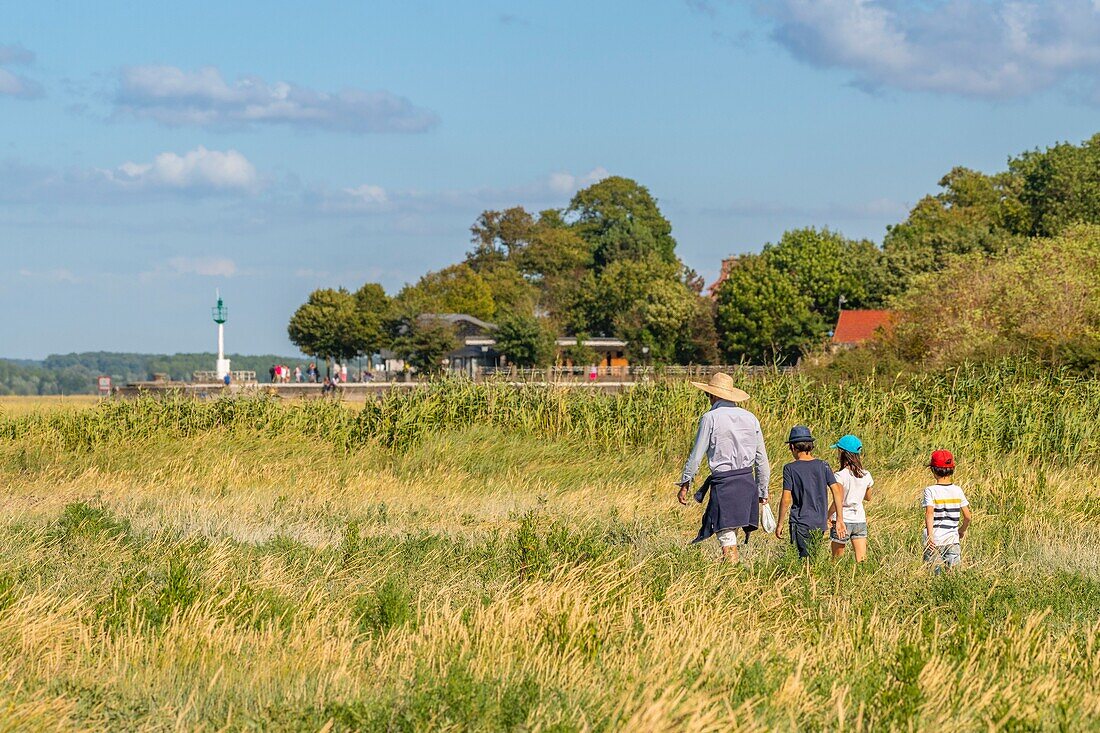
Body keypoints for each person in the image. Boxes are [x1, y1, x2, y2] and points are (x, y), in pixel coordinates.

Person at [677, 372, 770, 563]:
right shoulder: (751, 418)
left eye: (708, 395)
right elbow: (761, 459)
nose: (708, 399)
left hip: (725, 484)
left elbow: (696, 455)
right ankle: (731, 576)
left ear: (714, 395)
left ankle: (733, 578)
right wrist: (763, 490)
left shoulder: (710, 418)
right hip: (747, 483)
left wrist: (686, 481)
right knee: (730, 533)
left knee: (726, 537)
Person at [774, 426, 847, 560]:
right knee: (813, 557)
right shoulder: (823, 465)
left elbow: (786, 499)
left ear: (792, 447)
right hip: (819, 521)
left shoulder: (789, 468)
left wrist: (780, 523)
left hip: (800, 521)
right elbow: (837, 491)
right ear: (811, 446)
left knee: (803, 559)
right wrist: (840, 519)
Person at [922, 450, 971, 573]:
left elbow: (929, 513)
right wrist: (962, 530)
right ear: (952, 469)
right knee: (953, 574)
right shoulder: (958, 490)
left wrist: (930, 535)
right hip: (952, 540)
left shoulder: (930, 490)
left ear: (933, 470)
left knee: (934, 574)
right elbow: (968, 516)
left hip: (934, 540)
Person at [827, 434, 873, 562]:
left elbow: (838, 500)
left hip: (843, 520)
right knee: (862, 560)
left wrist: (828, 515)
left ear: (842, 453)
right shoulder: (866, 475)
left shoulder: (840, 475)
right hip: (859, 519)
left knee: (836, 561)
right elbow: (868, 497)